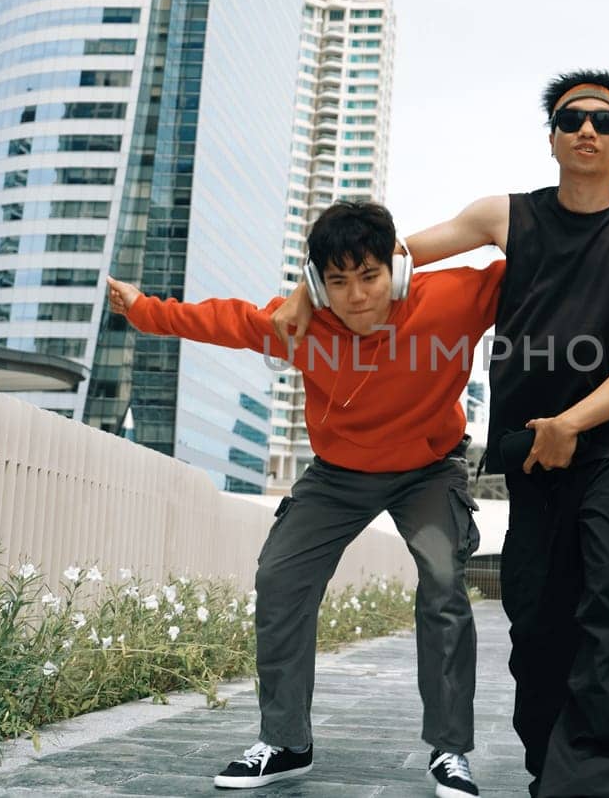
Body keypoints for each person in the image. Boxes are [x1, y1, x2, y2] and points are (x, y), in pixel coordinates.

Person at [276, 69, 609, 797]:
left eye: (603, 119)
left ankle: (584, 786)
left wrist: (573, 423)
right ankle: (548, 769)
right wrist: (307, 296)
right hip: (529, 456)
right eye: (570, 118)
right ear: (553, 135)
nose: (586, 128)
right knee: (537, 625)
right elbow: (390, 259)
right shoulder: (504, 214)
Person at [107, 201, 495, 798]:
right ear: (316, 284)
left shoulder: (450, 300)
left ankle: (450, 752)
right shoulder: (300, 323)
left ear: (396, 268)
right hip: (338, 475)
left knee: (444, 584)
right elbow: (223, 321)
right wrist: (142, 310)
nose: (357, 296)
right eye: (337, 282)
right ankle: (287, 742)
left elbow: (545, 260)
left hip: (428, 472)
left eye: (369, 277)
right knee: (280, 577)